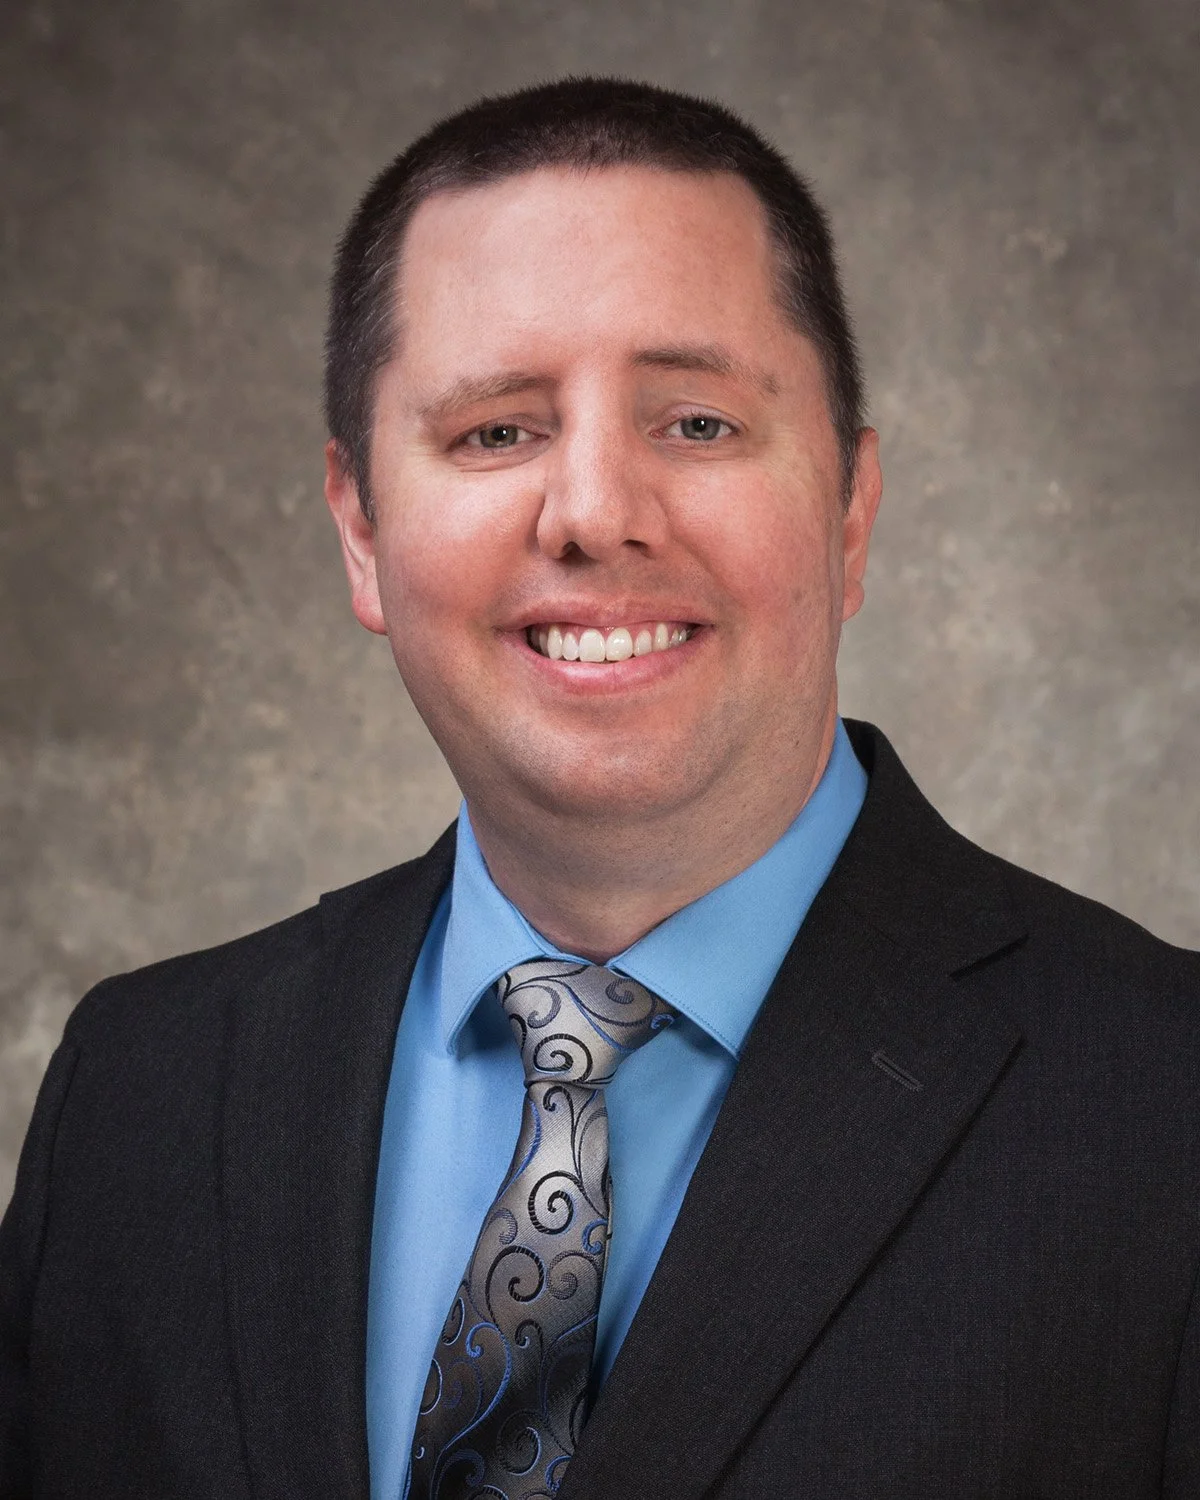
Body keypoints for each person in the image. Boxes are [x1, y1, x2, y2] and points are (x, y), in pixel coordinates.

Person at [1, 76, 1197, 1500]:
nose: (593, 514)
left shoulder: (1164, 1112)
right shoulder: (142, 1092)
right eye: (496, 430)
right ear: (362, 532)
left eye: (695, 423)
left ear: (852, 512)